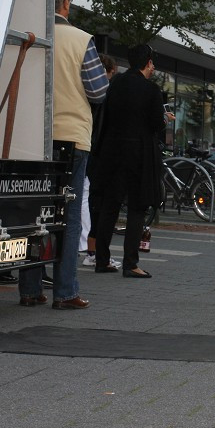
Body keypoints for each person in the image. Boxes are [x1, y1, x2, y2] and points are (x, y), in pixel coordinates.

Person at [18, 0, 109, 309]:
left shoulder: (28, 36)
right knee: (68, 217)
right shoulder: (80, 39)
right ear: (66, 3)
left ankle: (29, 290)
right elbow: (99, 91)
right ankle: (65, 292)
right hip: (71, 137)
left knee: (34, 214)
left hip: (28, 138)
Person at [92, 44, 172, 280]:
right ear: (147, 63)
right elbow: (156, 124)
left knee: (110, 206)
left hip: (112, 152)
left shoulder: (114, 84)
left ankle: (101, 260)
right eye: (152, 63)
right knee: (137, 207)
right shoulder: (151, 90)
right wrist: (165, 119)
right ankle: (130, 263)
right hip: (139, 154)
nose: (153, 67)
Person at [81, 54, 121, 271]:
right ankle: (93, 252)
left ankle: (91, 251)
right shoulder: (103, 95)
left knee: (89, 202)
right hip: (96, 153)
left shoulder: (90, 94)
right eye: (111, 72)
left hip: (90, 149)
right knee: (93, 203)